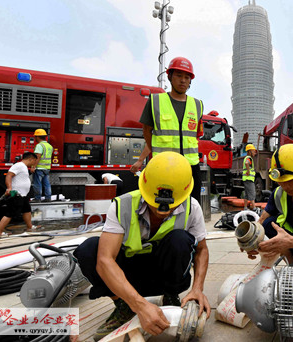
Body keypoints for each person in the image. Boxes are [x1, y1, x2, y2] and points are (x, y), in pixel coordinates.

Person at [74, 152, 211, 341]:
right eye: (156, 205)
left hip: (164, 275)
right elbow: (105, 260)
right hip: (128, 279)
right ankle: (123, 306)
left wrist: (197, 289)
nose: (162, 211)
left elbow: (202, 250)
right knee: (89, 249)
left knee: (180, 240)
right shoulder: (122, 205)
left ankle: (170, 296)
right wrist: (139, 306)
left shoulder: (191, 207)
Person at [133, 57, 204, 203]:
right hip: (164, 166)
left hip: (191, 166)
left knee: (192, 205)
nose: (183, 80)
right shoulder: (155, 101)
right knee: (165, 206)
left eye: (187, 77)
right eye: (179, 76)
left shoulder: (198, 105)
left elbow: (196, 135)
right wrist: (149, 155)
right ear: (169, 76)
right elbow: (147, 132)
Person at [0, 152, 39, 237]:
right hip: (17, 194)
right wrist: (9, 188)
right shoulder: (18, 166)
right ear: (31, 159)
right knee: (10, 213)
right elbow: (9, 175)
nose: (34, 163)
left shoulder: (24, 167)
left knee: (27, 210)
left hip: (23, 194)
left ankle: (30, 227)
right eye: (34, 161)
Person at [33, 128, 53, 202]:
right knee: (47, 184)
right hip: (47, 168)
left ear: (37, 137)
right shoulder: (49, 146)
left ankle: (37, 198)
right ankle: (48, 198)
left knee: (37, 184)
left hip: (39, 168)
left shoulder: (39, 146)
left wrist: (33, 167)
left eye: (35, 137)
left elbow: (37, 157)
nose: (34, 138)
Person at [243, 144, 257, 211]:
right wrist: (248, 171)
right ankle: (254, 208)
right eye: (253, 151)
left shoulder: (247, 157)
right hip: (249, 179)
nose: (254, 153)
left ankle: (245, 208)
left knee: (247, 194)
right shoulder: (249, 158)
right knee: (252, 193)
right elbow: (246, 163)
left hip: (246, 179)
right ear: (249, 151)